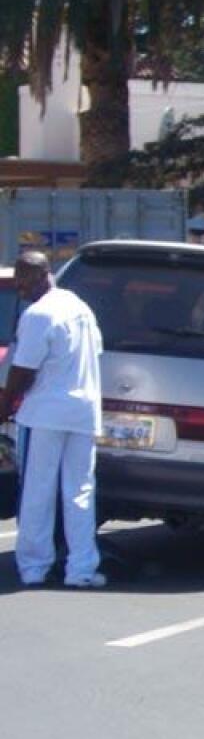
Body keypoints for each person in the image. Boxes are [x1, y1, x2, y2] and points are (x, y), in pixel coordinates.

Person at [0, 251, 106, 588]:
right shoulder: (79, 308)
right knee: (80, 491)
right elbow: (97, 352)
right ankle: (82, 569)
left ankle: (33, 567)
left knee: (37, 490)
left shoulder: (38, 314)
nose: (20, 284)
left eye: (25, 277)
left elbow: (23, 370)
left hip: (45, 414)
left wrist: (4, 406)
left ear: (45, 274)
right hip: (84, 411)